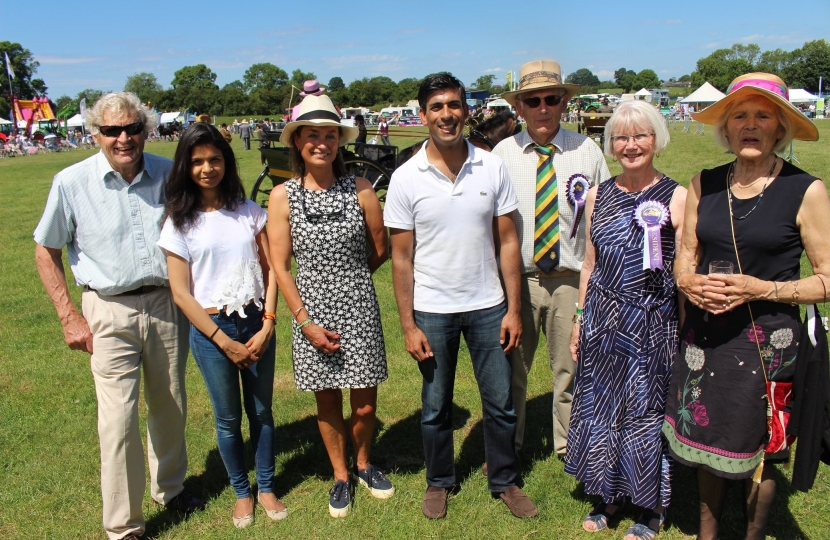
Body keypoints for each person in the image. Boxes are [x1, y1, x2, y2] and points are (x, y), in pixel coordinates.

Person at [663, 73, 829, 540]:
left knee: (765, 447)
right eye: (740, 116)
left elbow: (827, 280)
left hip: (767, 345)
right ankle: (707, 533)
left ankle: (753, 535)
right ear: (726, 128)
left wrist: (761, 288)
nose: (750, 125)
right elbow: (686, 255)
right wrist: (687, 282)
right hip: (707, 338)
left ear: (780, 128)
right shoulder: (704, 183)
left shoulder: (806, 190)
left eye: (763, 116)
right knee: (706, 437)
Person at [33, 92, 204, 540]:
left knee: (170, 404)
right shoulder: (71, 182)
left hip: (167, 304)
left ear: (146, 129)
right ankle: (124, 526)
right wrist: (69, 315)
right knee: (118, 420)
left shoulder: (170, 173)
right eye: (112, 131)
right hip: (107, 310)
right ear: (96, 134)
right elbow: (45, 249)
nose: (123, 138)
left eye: (132, 128)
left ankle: (170, 488)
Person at [385, 73, 537, 520]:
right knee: (435, 406)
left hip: (489, 305)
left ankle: (505, 480)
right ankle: (439, 481)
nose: (446, 114)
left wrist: (513, 308)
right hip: (432, 309)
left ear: (466, 110)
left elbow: (508, 241)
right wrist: (408, 325)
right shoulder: (405, 177)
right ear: (423, 115)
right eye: (436, 107)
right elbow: (400, 258)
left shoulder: (491, 166)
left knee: (501, 402)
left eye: (454, 105)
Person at [267, 94, 393, 518]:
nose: (322, 143)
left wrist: (350, 281)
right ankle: (340, 474)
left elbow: (380, 247)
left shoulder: (361, 188)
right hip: (310, 313)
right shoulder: (282, 196)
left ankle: (363, 463)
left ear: (340, 141)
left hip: (358, 305)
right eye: (312, 135)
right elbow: (281, 266)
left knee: (365, 403)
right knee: (327, 402)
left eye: (330, 135)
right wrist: (305, 321)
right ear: (298, 141)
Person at [565, 101, 686, 538]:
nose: (631, 145)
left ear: (657, 139)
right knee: (602, 407)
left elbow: (685, 271)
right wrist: (580, 319)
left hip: (652, 322)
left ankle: (650, 507)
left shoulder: (677, 197)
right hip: (602, 317)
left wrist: (687, 334)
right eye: (621, 137)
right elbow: (588, 265)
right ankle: (608, 494)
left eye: (641, 135)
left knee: (644, 412)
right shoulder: (598, 194)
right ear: (611, 144)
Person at [158, 123, 287, 529]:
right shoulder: (179, 222)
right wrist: (222, 341)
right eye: (197, 162)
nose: (207, 168)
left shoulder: (250, 212)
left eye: (214, 159)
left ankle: (265, 486)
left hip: (256, 321)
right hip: (212, 330)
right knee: (228, 418)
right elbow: (181, 293)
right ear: (185, 167)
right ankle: (242, 492)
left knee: (262, 412)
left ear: (226, 163)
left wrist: (268, 323)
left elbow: (272, 273)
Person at [493, 59, 611, 461]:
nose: (543, 107)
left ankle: (569, 445)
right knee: (513, 369)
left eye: (551, 99)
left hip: (570, 279)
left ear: (564, 103)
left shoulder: (587, 151)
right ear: (520, 107)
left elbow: (606, 215)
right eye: (533, 100)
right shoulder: (502, 154)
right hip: (518, 280)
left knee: (571, 368)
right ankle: (511, 445)